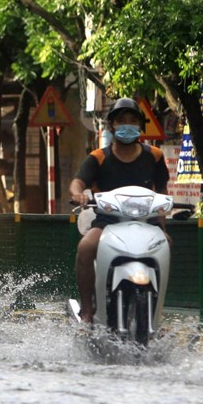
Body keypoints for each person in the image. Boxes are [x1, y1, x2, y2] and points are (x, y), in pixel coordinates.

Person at [68, 97, 171, 324]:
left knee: (167, 245)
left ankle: (158, 312)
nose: (127, 125)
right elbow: (77, 182)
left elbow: (162, 190)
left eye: (133, 121)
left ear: (140, 126)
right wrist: (79, 194)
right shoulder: (98, 157)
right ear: (112, 126)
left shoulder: (154, 155)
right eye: (121, 120)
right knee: (85, 247)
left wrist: (162, 225)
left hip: (147, 221)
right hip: (107, 223)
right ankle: (87, 311)